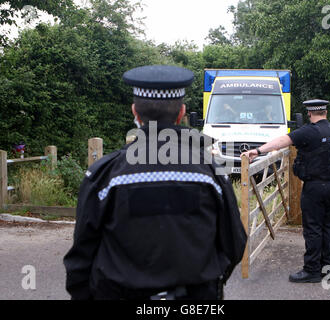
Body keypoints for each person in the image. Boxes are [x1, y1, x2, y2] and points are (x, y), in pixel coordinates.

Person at [63, 65, 247, 300]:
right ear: (181, 113)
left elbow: (81, 257)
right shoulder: (211, 173)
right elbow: (234, 244)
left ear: (135, 113)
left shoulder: (105, 175)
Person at [241, 99, 330, 283]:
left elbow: (282, 141)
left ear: (309, 113)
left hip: (315, 187)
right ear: (326, 112)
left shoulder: (309, 131)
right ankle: (327, 268)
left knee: (313, 228)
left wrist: (258, 151)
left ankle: (312, 271)